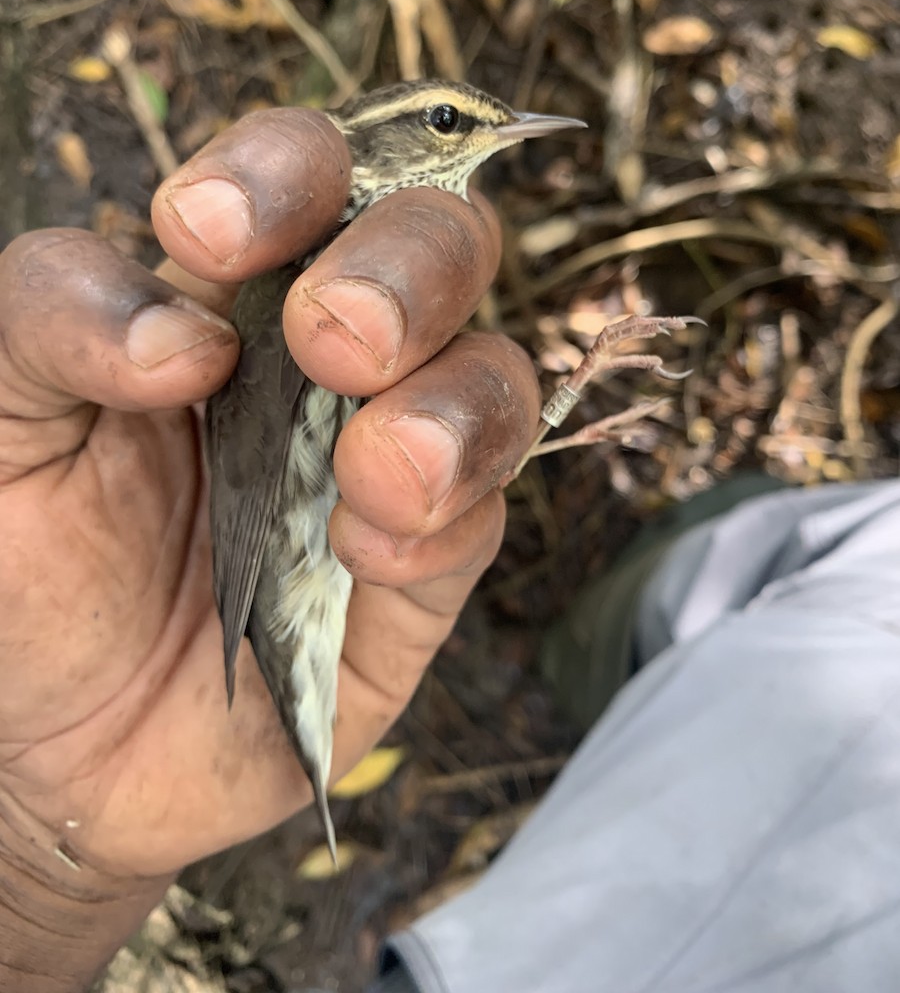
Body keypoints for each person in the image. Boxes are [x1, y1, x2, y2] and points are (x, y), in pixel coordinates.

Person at [2, 111, 899, 993]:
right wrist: (35, 840)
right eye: (446, 122)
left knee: (411, 452)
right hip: (258, 582)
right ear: (380, 146)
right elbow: (271, 489)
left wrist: (47, 862)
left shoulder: (317, 280)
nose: (484, 136)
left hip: (260, 600)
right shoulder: (284, 283)